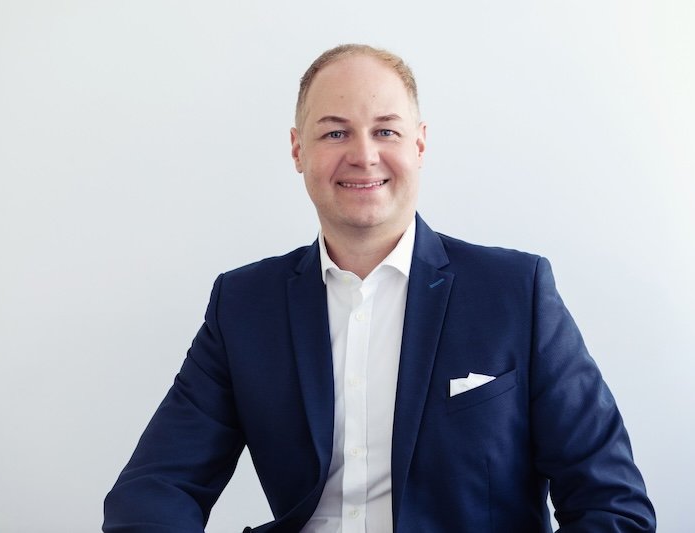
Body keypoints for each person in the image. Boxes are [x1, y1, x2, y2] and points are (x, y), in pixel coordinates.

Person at [104, 44, 656, 533]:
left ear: (420, 144)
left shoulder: (516, 293)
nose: (364, 155)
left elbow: (612, 504)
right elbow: (155, 488)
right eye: (335, 132)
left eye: (385, 131)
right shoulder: (245, 305)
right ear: (298, 151)